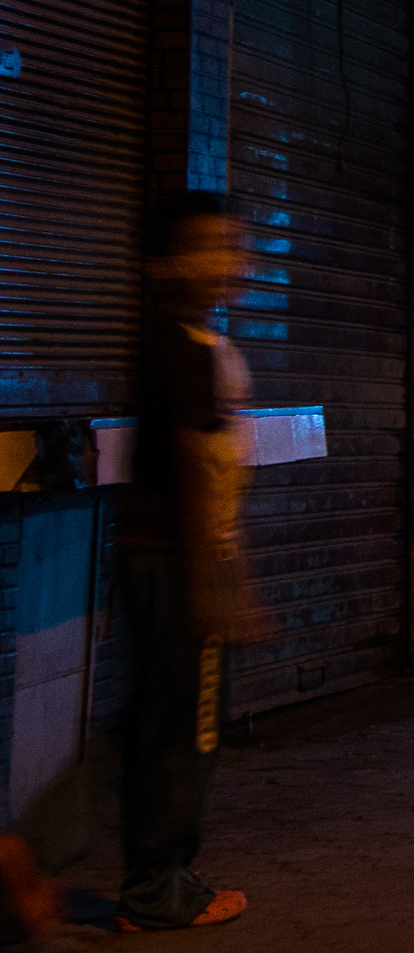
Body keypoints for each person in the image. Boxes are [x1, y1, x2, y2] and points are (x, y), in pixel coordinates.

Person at [0, 194, 253, 936]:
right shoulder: (189, 352)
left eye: (232, 244)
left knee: (149, 720)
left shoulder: (184, 343)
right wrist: (216, 580)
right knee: (189, 732)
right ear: (164, 266)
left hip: (156, 558)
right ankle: (157, 889)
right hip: (181, 562)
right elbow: (199, 468)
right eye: (208, 246)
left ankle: (36, 846)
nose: (227, 260)